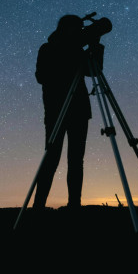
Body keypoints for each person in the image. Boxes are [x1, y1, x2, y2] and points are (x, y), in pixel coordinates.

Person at [33, 15, 92, 209]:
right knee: (51, 159)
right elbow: (41, 76)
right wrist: (67, 56)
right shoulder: (48, 48)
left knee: (76, 161)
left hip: (79, 112)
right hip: (56, 111)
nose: (80, 31)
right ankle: (38, 206)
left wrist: (96, 45)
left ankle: (74, 205)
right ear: (66, 28)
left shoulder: (79, 50)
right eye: (77, 28)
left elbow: (94, 70)